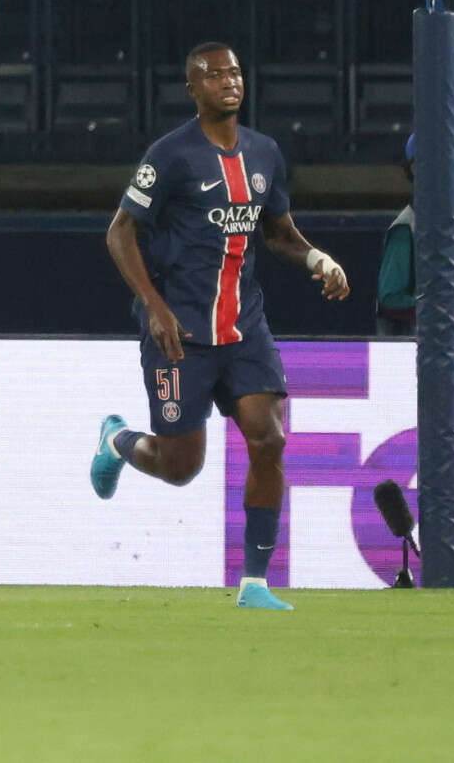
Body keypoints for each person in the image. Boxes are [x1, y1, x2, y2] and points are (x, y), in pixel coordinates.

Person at [87, 42, 347, 609]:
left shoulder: (265, 153)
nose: (229, 81)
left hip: (244, 327)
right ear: (193, 89)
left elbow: (277, 231)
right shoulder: (171, 155)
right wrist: (155, 308)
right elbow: (119, 232)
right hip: (179, 334)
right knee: (182, 467)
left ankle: (254, 583)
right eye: (214, 74)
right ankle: (118, 439)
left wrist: (317, 259)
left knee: (269, 438)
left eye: (235, 72)